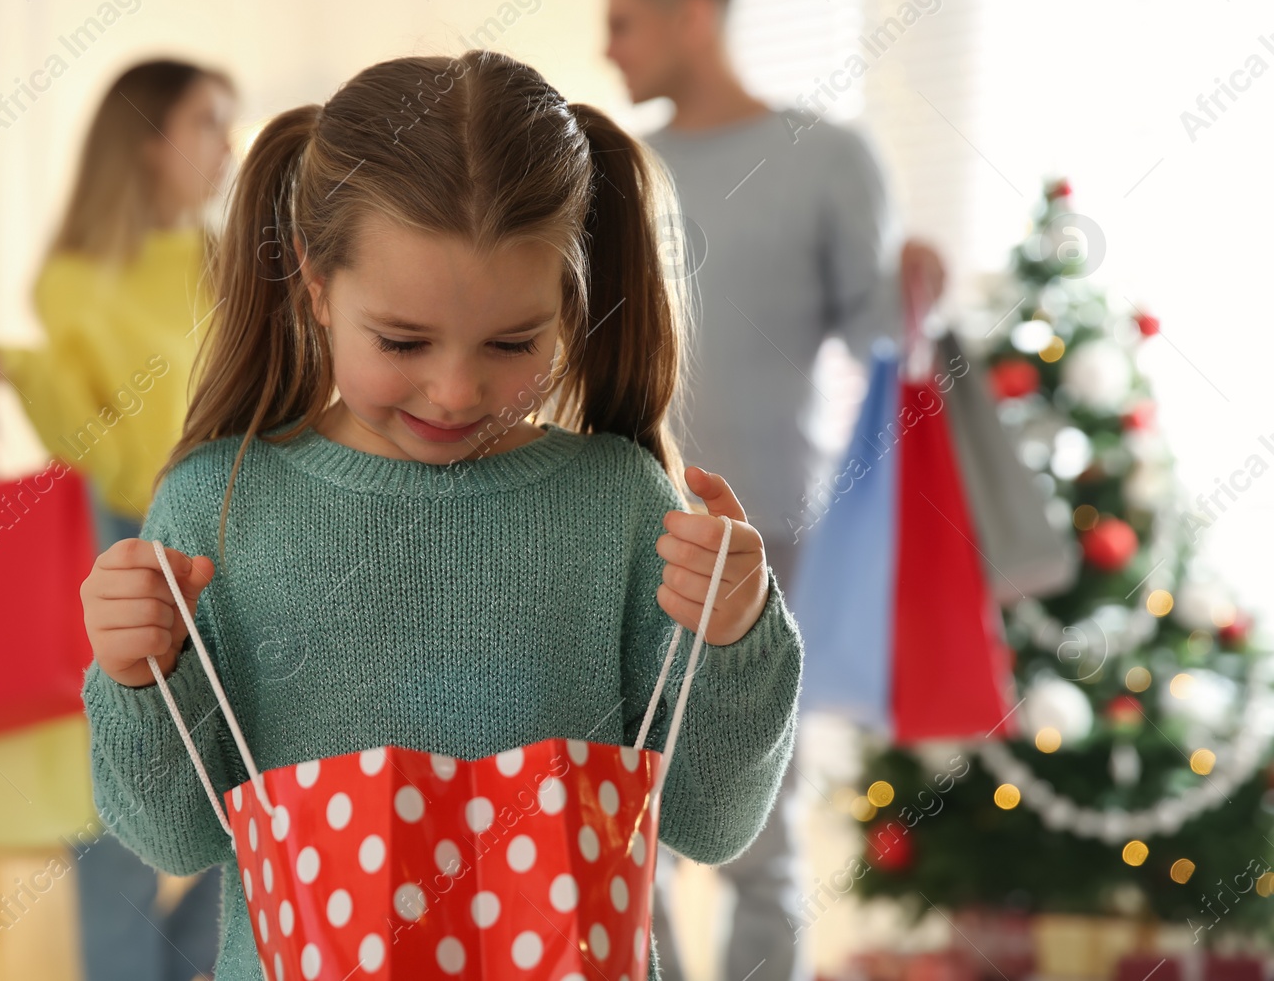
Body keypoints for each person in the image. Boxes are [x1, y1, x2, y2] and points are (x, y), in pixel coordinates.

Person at [76, 49, 805, 981]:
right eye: (402, 340)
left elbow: (712, 821)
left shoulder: (621, 503)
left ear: (569, 306)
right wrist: (137, 680)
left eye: (513, 342)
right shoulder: (218, 506)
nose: (456, 389)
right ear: (312, 283)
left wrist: (738, 638)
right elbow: (174, 838)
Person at [604, 0, 947, 981]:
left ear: (690, 16)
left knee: (761, 828)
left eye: (620, 22)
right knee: (631, 824)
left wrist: (922, 288)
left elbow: (882, 333)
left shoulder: (826, 157)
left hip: (773, 538)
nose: (604, 47)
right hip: (626, 531)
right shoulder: (614, 163)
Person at [0, 58, 239, 981]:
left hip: (240, 540)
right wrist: (23, 373)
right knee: (115, 817)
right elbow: (99, 449)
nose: (228, 147)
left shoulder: (228, 264)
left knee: (257, 800)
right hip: (130, 541)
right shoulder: (73, 283)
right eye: (208, 125)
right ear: (149, 141)